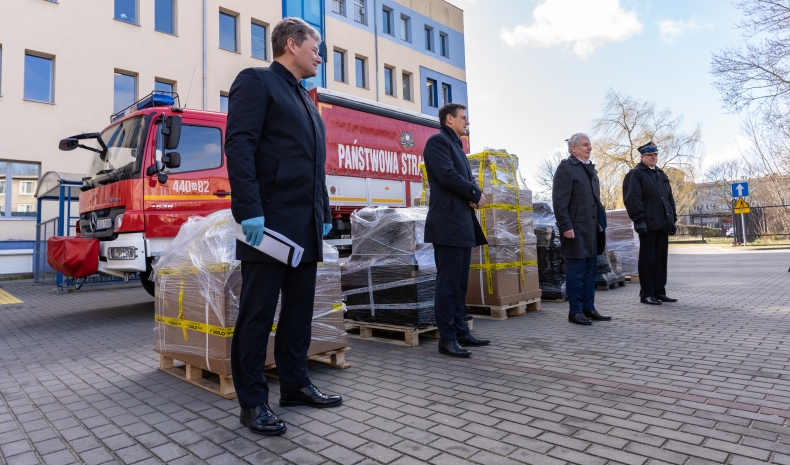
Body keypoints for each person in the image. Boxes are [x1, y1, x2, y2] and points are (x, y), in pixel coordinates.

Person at [225, 18, 342, 437]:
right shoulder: (257, 82)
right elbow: (239, 145)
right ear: (291, 45)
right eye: (317, 46)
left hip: (305, 222)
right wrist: (249, 209)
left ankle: (294, 385)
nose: (320, 55)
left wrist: (323, 212)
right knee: (257, 314)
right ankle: (252, 402)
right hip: (269, 223)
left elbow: (315, 166)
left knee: (298, 312)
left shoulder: (306, 100)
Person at [423, 103, 490, 357]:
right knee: (448, 284)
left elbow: (464, 179)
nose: (467, 122)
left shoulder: (456, 145)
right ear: (449, 119)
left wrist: (472, 196)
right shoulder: (438, 142)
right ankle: (447, 338)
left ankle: (461, 331)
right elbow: (448, 176)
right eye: (464, 118)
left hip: (461, 223)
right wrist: (475, 193)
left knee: (460, 284)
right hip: (448, 223)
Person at [552, 133, 612, 326]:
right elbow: (559, 201)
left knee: (589, 272)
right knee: (576, 271)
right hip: (575, 229)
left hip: (592, 229)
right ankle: (575, 311)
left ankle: (589, 308)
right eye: (585, 145)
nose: (590, 148)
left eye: (590, 145)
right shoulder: (566, 168)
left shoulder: (590, 170)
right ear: (573, 148)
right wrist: (566, 226)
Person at [623, 141, 678, 305]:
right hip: (647, 224)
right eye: (649, 155)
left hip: (662, 223)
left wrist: (672, 219)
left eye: (655, 154)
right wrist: (639, 220)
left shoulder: (661, 175)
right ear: (642, 157)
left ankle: (659, 291)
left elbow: (669, 199)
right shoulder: (636, 174)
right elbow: (632, 199)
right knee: (648, 260)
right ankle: (646, 294)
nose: (653, 157)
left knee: (660, 259)